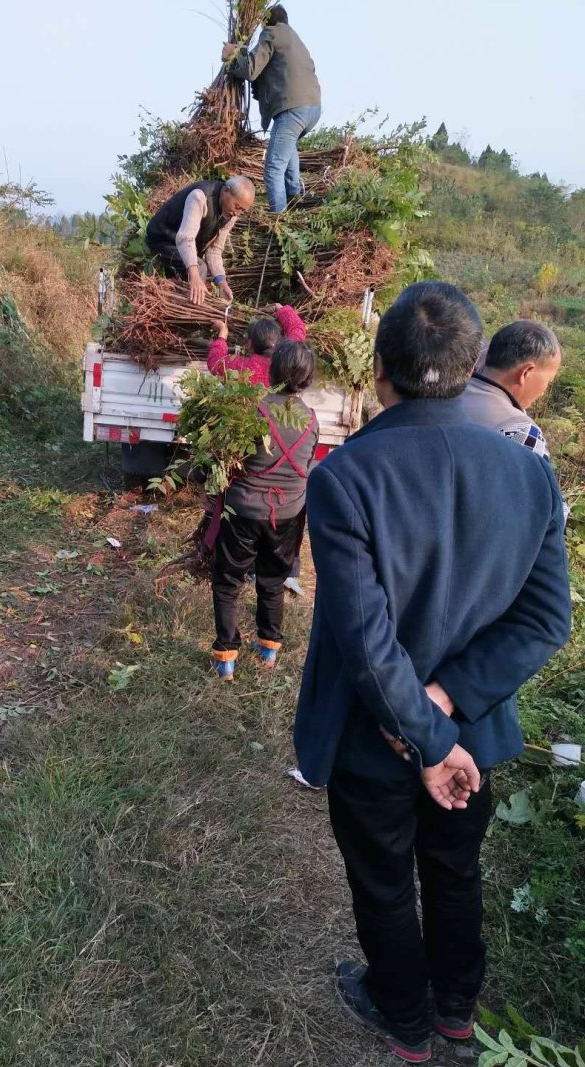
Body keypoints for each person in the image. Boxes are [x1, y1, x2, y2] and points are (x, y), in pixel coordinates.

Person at [294, 282, 571, 1062]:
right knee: (455, 871)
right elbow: (547, 620)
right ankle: (453, 1010)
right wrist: (451, 714)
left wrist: (424, 725)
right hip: (472, 736)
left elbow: (365, 639)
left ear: (380, 369)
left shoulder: (346, 475)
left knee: (384, 880)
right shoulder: (529, 472)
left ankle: (404, 1016)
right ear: (475, 362)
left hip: (372, 739)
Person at [210, 339, 321, 680]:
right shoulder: (312, 420)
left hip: (244, 511)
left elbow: (227, 457)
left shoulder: (251, 409)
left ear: (272, 369)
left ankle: (227, 658)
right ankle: (269, 649)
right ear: (307, 378)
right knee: (273, 582)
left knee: (227, 581)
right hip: (287, 514)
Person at [208, 304, 309, 595]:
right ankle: (285, 568)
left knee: (246, 505)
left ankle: (244, 564)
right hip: (286, 448)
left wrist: (222, 336)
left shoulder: (243, 367)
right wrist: (284, 310)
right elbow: (298, 330)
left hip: (253, 449)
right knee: (285, 511)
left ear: (249, 344)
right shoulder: (287, 360)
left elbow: (217, 364)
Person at [223, 5, 321, 212]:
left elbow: (251, 69)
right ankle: (295, 199)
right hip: (311, 109)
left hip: (292, 110)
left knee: (273, 168)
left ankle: (279, 219)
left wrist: (233, 56)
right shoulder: (294, 39)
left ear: (266, 21)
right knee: (287, 148)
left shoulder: (272, 33)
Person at [145, 176, 255, 306]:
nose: (237, 213)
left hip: (182, 241)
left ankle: (181, 298)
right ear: (226, 190)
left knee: (199, 269)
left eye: (242, 210)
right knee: (200, 268)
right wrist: (194, 275)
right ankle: (188, 309)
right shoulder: (199, 197)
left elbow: (214, 250)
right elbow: (186, 238)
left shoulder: (231, 216)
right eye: (237, 206)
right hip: (163, 237)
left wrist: (221, 282)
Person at [459, 319, 562, 458]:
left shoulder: (445, 393)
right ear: (526, 372)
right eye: (548, 381)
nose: (544, 392)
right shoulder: (520, 432)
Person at [207, 302, 306, 385]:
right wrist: (279, 308)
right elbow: (297, 327)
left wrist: (222, 334)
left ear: (249, 344)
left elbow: (216, 363)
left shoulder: (246, 368)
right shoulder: (289, 358)